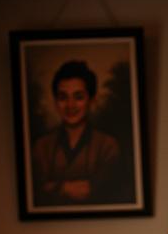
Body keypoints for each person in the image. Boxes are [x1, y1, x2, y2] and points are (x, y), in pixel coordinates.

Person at [30, 60, 124, 206]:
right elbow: (37, 192)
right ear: (55, 101)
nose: (70, 105)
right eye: (63, 97)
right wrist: (65, 188)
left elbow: (100, 190)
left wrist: (54, 187)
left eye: (78, 97)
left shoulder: (108, 146)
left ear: (91, 100)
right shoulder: (41, 147)